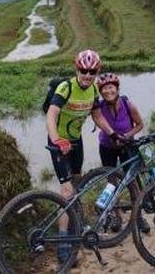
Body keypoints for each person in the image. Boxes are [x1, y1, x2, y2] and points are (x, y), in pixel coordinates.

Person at [45, 49, 119, 261]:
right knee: (67, 191)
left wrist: (113, 133)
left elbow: (97, 116)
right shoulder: (66, 88)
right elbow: (51, 115)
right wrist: (57, 140)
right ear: (76, 69)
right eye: (83, 70)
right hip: (59, 144)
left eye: (92, 72)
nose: (87, 75)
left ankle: (74, 224)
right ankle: (63, 240)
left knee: (76, 185)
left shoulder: (94, 90)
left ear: (97, 72)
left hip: (76, 144)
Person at [95, 72, 150, 232]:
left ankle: (138, 217)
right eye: (104, 89)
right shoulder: (99, 107)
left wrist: (126, 136)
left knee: (132, 182)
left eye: (111, 87)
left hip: (127, 146)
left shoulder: (127, 105)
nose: (108, 91)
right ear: (100, 92)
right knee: (112, 183)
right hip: (107, 147)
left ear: (117, 89)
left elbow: (140, 124)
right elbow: (96, 118)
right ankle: (117, 216)